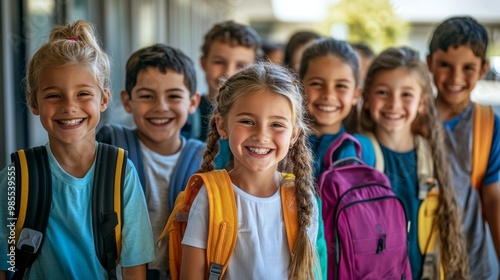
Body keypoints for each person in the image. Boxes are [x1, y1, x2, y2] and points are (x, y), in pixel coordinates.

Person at [0, 20, 154, 279]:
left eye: (83, 94)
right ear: (33, 101)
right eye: (53, 95)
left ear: (104, 99)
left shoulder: (120, 173)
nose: (69, 106)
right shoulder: (16, 177)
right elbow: (6, 262)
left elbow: (134, 263)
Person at [180, 62, 321, 279]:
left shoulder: (301, 198)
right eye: (247, 121)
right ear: (222, 125)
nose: (262, 135)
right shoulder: (210, 197)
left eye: (277, 124)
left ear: (294, 135)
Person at [96, 44, 204, 279]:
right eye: (147, 96)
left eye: (174, 96)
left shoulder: (204, 160)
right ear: (126, 101)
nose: (161, 107)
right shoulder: (109, 146)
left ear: (193, 102)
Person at [359, 46, 468, 279]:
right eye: (382, 92)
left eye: (406, 94)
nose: (394, 104)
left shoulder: (431, 154)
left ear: (422, 102)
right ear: (366, 98)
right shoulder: (359, 152)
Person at [426, 16, 500, 279]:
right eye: (445, 65)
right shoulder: (411, 117)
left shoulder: (487, 124)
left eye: (468, 67)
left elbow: (492, 199)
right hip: (416, 259)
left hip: (470, 263)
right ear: (429, 64)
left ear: (483, 69)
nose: (456, 77)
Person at [299, 37, 375, 179]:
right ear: (300, 87)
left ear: (356, 95)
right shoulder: (282, 143)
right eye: (316, 84)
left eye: (341, 86)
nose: (328, 95)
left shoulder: (363, 150)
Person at [185, 20, 261, 142]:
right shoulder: (186, 114)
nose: (228, 73)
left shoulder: (260, 120)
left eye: (241, 65)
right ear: (204, 63)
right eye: (219, 62)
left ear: (254, 69)